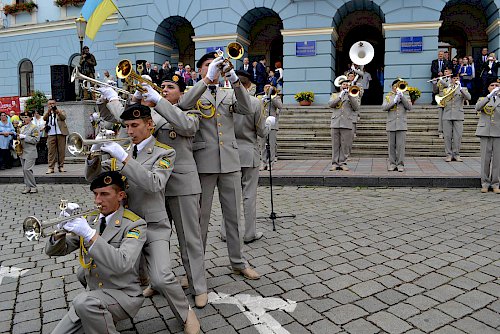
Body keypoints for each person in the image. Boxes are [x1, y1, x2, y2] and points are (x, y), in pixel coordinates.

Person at [85, 103, 200, 333]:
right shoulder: (122, 149)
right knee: (93, 269)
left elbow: (154, 183)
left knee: (162, 278)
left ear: (149, 125)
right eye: (126, 126)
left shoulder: (165, 152)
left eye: (135, 125)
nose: (129, 131)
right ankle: (108, 310)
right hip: (122, 228)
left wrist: (125, 161)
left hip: (153, 225)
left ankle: (186, 314)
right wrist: (93, 158)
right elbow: (94, 178)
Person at [178, 52, 260, 280]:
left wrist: (234, 78)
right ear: (200, 70)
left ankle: (238, 262)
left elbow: (246, 108)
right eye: (207, 65)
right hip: (204, 163)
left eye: (216, 64)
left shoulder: (227, 92)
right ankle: (194, 269)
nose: (212, 67)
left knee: (233, 216)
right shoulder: (192, 92)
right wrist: (206, 81)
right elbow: (183, 106)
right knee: (199, 220)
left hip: (231, 162)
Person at [134, 74, 210, 308]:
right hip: (152, 185)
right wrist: (135, 101)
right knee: (155, 237)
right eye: (162, 87)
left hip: (181, 184)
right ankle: (158, 281)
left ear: (182, 92)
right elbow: (120, 121)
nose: (165, 89)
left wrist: (158, 100)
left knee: (190, 238)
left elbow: (186, 127)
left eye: (170, 87)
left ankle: (198, 286)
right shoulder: (151, 113)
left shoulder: (190, 110)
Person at [46, 171, 147, 334]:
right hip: (97, 295)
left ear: (120, 195)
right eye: (95, 194)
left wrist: (90, 235)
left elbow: (123, 264)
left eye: (105, 194)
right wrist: (60, 231)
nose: (98, 200)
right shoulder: (91, 219)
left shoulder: (134, 225)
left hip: (124, 295)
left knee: (83, 302)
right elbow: (57, 251)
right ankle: (100, 314)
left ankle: (101, 313)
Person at [221, 70, 272, 244]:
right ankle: (249, 232)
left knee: (229, 194)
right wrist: (269, 125)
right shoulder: (255, 102)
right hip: (249, 152)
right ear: (248, 85)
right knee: (249, 195)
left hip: (229, 152)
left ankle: (225, 232)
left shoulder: (224, 101)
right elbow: (261, 131)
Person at [328, 78, 360, 171]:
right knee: (335, 144)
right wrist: (340, 96)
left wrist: (350, 96)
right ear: (340, 86)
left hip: (347, 122)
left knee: (345, 144)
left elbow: (356, 107)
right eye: (344, 85)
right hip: (335, 122)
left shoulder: (353, 95)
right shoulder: (334, 95)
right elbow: (330, 104)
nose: (345, 86)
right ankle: (334, 163)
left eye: (347, 85)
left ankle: (343, 163)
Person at [475, 78, 500, 193]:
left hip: (498, 132)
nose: (494, 87)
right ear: (488, 87)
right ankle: (484, 183)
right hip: (485, 131)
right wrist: (489, 96)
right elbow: (477, 107)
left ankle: (495, 184)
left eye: (497, 85)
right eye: (492, 85)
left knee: (497, 160)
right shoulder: (483, 99)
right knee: (485, 159)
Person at [382, 79, 412, 172]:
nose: (396, 88)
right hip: (391, 123)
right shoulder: (388, 96)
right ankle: (392, 164)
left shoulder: (406, 95)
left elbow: (409, 107)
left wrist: (402, 97)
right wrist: (394, 101)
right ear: (392, 87)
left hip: (401, 124)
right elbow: (384, 107)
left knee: (400, 146)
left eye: (398, 86)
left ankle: (400, 164)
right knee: (391, 146)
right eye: (395, 86)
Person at [441, 73, 471, 162]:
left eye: (457, 78)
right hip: (447, 114)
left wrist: (460, 88)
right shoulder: (446, 89)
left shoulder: (463, 89)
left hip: (458, 115)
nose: (455, 80)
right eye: (453, 78)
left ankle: (456, 154)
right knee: (447, 136)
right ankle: (448, 154)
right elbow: (441, 100)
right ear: (451, 79)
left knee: (457, 136)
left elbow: (468, 97)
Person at [259, 84, 282, 170]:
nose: (267, 89)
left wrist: (271, 97)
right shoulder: (260, 97)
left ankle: (271, 163)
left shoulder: (276, 98)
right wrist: (263, 99)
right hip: (263, 124)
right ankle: (263, 162)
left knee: (272, 145)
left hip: (272, 125)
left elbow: (280, 106)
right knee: (262, 145)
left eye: (269, 87)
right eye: (266, 87)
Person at [43, 99, 69, 174]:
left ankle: (61, 166)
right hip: (51, 133)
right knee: (51, 151)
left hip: (60, 133)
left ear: (56, 104)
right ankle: (51, 167)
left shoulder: (61, 111)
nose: (51, 105)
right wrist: (48, 112)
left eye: (53, 103)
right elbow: (44, 118)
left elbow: (63, 118)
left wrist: (57, 112)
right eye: (50, 104)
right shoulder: (47, 112)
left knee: (61, 151)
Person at [17, 110, 39, 193]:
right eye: (23, 117)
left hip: (30, 151)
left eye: (26, 117)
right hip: (23, 150)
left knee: (27, 169)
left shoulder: (34, 127)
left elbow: (36, 140)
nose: (24, 119)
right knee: (24, 170)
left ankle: (33, 186)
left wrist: (25, 137)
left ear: (30, 118)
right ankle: (27, 186)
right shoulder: (22, 127)